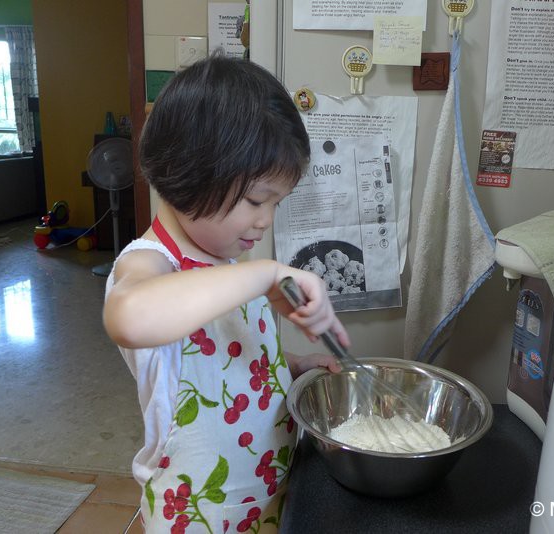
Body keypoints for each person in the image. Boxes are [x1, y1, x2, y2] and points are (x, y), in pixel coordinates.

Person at [103, 53, 349, 533]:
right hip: (201, 516)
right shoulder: (150, 263)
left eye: (276, 204)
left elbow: (224, 358)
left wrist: (287, 368)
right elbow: (130, 317)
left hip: (267, 496)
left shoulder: (227, 264)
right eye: (258, 200)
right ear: (188, 172)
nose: (266, 220)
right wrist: (265, 275)